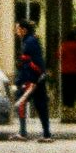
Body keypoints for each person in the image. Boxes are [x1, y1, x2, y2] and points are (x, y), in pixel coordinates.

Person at [14, 12, 52, 141]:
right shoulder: (30, 40)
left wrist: (20, 80)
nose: (16, 31)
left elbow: (29, 64)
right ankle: (46, 134)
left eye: (17, 28)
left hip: (31, 80)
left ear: (23, 30)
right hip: (37, 79)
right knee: (41, 106)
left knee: (21, 102)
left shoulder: (29, 42)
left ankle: (23, 133)